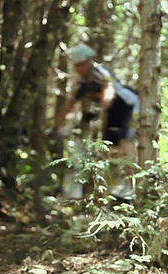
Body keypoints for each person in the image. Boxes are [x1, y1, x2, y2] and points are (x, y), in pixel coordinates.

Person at [56, 43, 139, 199]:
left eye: (82, 64)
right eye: (76, 65)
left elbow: (109, 90)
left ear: (89, 62)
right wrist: (59, 126)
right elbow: (70, 104)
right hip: (112, 113)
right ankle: (116, 191)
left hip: (130, 106)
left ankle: (132, 190)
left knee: (125, 144)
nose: (79, 69)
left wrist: (100, 108)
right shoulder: (81, 82)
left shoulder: (100, 72)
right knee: (110, 150)